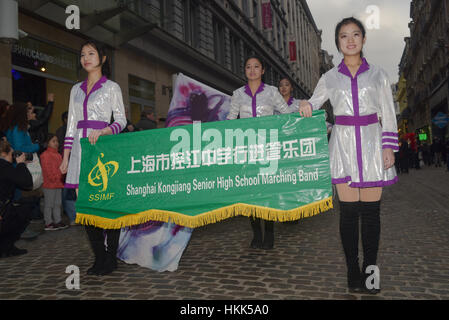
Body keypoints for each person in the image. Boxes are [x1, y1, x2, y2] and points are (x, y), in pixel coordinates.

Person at [299, 17, 398, 294]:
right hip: (341, 147)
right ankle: (352, 271)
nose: (350, 39)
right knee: (348, 215)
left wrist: (388, 146)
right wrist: (306, 105)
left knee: (371, 215)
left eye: (356, 34)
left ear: (364, 39)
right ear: (338, 43)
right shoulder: (329, 78)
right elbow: (313, 103)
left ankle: (371, 272)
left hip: (371, 144)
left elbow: (388, 113)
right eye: (344, 36)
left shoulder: (379, 74)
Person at [59, 39, 127, 276]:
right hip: (79, 153)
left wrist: (105, 130)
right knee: (86, 209)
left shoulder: (112, 88)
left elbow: (121, 121)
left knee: (106, 205)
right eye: (82, 54)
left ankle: (111, 256)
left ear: (103, 58)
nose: (85, 58)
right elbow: (70, 126)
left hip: (102, 151)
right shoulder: (75, 89)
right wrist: (66, 157)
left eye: (91, 53)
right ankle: (99, 258)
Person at [227, 56, 293, 250]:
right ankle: (256, 233)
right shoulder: (237, 94)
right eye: (248, 67)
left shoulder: (272, 92)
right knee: (251, 193)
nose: (252, 70)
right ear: (245, 71)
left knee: (267, 192)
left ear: (263, 70)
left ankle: (270, 233)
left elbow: (286, 114)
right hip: (246, 149)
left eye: (256, 67)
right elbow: (231, 119)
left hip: (268, 148)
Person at [0, 140, 33, 258]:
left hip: (4, 207)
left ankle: (6, 247)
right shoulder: (4, 166)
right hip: (2, 211)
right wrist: (21, 164)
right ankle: (6, 247)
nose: (12, 158)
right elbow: (27, 183)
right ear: (4, 154)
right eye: (11, 154)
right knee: (25, 211)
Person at [40, 134, 67, 231]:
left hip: (58, 183)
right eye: (53, 141)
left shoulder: (58, 155)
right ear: (47, 143)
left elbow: (61, 168)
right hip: (49, 184)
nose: (56, 143)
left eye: (57, 141)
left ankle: (57, 220)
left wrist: (61, 178)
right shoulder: (45, 155)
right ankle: (48, 222)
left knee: (58, 204)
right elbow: (47, 170)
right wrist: (55, 178)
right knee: (49, 204)